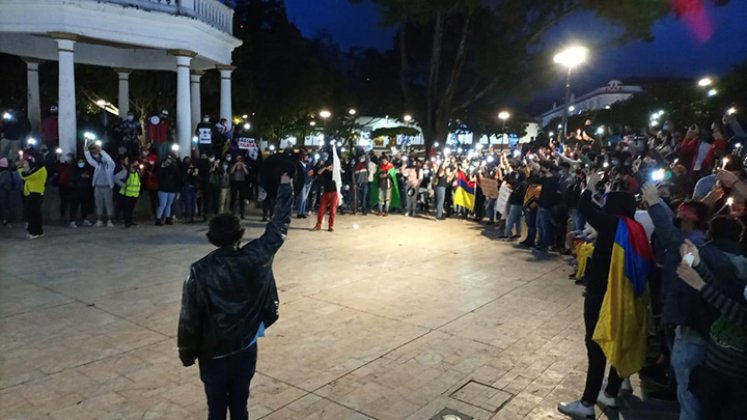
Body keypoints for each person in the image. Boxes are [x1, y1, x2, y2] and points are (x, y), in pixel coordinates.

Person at [177, 173, 292, 420]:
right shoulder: (256, 257)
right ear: (240, 233)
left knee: (216, 409)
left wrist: (187, 352)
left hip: (213, 352)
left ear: (213, 237)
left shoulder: (200, 270)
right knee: (240, 405)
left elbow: (189, 318)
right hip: (246, 346)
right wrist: (285, 187)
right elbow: (278, 226)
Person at [558, 171, 651, 418]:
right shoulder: (635, 228)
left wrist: (588, 186)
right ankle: (609, 393)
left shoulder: (612, 225)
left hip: (603, 294)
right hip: (627, 297)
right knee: (618, 342)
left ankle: (587, 403)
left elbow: (585, 206)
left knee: (595, 345)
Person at [84, 139, 116, 227]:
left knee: (108, 204)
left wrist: (101, 150)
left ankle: (109, 220)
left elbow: (110, 160)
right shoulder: (97, 165)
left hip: (107, 187)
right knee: (98, 204)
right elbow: (89, 159)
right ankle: (99, 220)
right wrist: (86, 149)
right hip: (98, 187)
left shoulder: (110, 167)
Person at [18, 152, 47, 239]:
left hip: (34, 194)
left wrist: (20, 168)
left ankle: (33, 232)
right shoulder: (40, 168)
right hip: (35, 193)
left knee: (32, 214)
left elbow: (25, 176)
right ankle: (39, 231)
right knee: (36, 214)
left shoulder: (39, 169)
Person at [313, 158, 338, 232]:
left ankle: (330, 225)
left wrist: (334, 169)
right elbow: (318, 173)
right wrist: (325, 168)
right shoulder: (324, 172)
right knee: (321, 209)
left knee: (333, 210)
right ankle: (319, 224)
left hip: (334, 193)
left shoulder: (335, 172)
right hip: (326, 193)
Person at [155, 154, 180, 226]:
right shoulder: (162, 167)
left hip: (171, 188)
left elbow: (177, 177)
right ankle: (158, 219)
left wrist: (177, 189)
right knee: (162, 204)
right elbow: (158, 176)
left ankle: (167, 218)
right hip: (163, 188)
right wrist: (162, 167)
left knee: (169, 204)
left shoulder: (174, 167)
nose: (169, 161)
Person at [121, 159, 142, 228]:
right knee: (127, 209)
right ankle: (127, 222)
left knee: (131, 209)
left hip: (134, 194)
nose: (137, 164)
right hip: (127, 193)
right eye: (135, 162)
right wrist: (122, 184)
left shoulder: (138, 172)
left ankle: (130, 221)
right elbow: (116, 178)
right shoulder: (126, 171)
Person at [182, 157, 201, 224]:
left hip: (194, 189)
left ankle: (192, 218)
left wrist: (196, 173)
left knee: (193, 203)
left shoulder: (195, 171)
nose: (191, 166)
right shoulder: (185, 170)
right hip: (188, 188)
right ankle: (188, 218)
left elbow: (198, 179)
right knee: (188, 203)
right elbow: (183, 179)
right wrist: (187, 172)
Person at [0, 157, 11, 226]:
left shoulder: (5, 173)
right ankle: (4, 219)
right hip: (4, 191)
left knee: (3, 206)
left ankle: (5, 219)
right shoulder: (7, 173)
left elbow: (1, 182)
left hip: (3, 191)